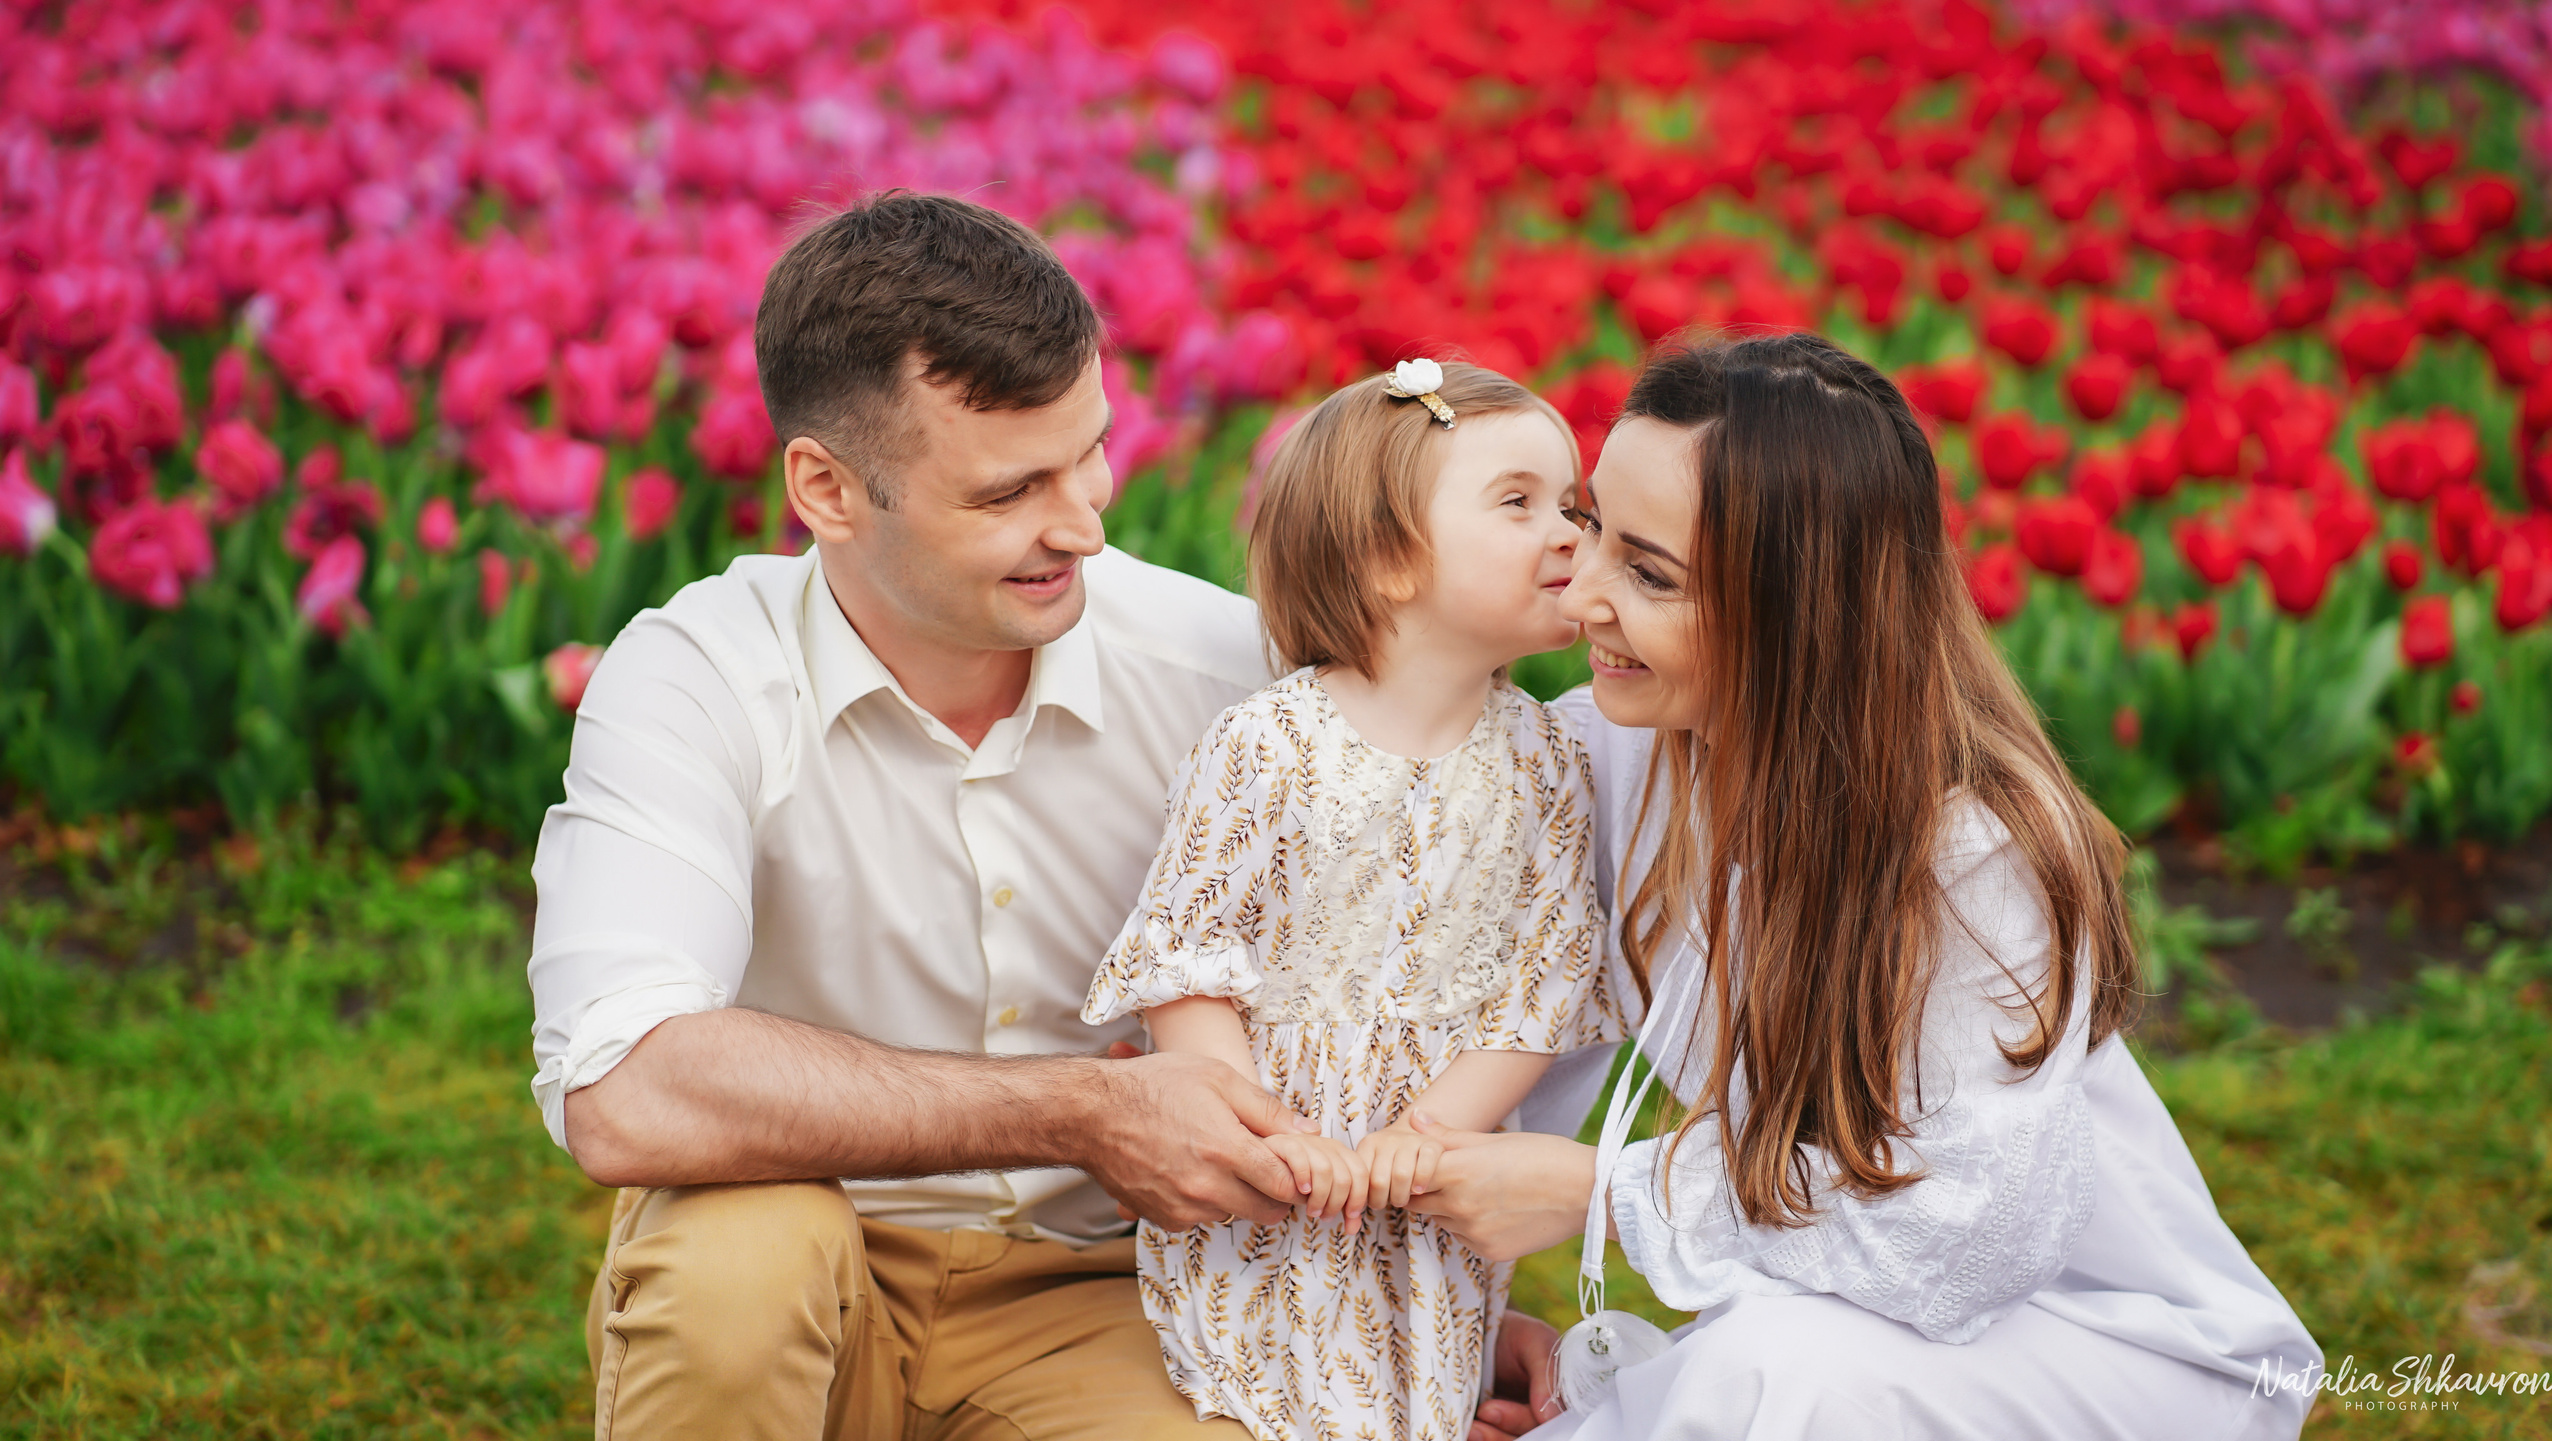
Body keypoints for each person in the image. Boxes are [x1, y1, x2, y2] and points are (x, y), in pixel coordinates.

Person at [524, 192, 1570, 1440]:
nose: (1084, 521)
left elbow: (1406, 985)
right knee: (730, 1279)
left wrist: (1408, 1307)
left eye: (1091, 452)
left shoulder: (1228, 677)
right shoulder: (695, 673)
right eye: (1011, 489)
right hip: (802, 1242)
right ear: (828, 489)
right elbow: (623, 1088)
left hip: (1110, 1294)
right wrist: (1079, 1106)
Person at [1404, 332, 2325, 1440]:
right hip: (1832, 1306)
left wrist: (1605, 1198)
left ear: (1801, 614)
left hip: (2106, 1338)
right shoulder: (1608, 753)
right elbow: (1514, 1051)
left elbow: (1968, 1237)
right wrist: (1475, 1307)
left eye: (1650, 573)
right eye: (1593, 523)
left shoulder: (1973, 849)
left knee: (1774, 1378)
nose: (1583, 591)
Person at [1082, 360, 1633, 1441]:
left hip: (1423, 1190)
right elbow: (1188, 959)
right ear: (1387, 559)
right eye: (1518, 503)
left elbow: (1547, 981)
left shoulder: (1545, 762)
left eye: (1573, 504)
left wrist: (1429, 1134)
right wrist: (1263, 1132)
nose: (1572, 534)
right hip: (1270, 1178)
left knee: (1415, 1397)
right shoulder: (1270, 745)